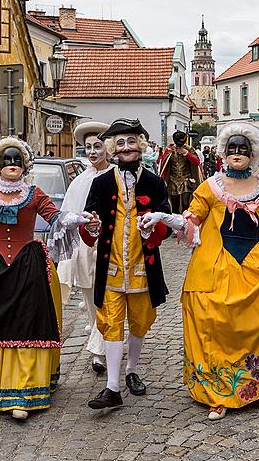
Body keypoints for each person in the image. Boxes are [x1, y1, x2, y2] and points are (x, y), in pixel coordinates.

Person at [141, 121, 259, 421]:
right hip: (215, 263)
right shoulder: (210, 187)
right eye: (232, 149)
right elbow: (192, 221)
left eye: (243, 149)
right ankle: (219, 389)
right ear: (223, 153)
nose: (237, 154)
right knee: (211, 316)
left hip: (257, 263)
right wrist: (163, 216)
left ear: (252, 153)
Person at [0, 137, 92, 419]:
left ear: (25, 166)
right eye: (7, 161)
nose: (12, 165)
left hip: (27, 266)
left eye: (17, 161)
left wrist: (76, 219)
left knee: (26, 325)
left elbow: (55, 217)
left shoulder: (34, 195)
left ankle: (20, 394)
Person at [80, 118, 171, 410]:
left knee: (141, 320)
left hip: (144, 266)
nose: (127, 147)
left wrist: (155, 224)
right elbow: (88, 223)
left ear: (140, 145)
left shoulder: (155, 182)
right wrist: (91, 226)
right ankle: (113, 387)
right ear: (113, 149)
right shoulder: (101, 182)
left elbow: (168, 223)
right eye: (120, 143)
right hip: (111, 268)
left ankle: (132, 370)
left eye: (132, 141)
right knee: (110, 322)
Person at [57, 121, 111, 374]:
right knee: (91, 299)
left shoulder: (116, 176)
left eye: (97, 146)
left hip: (111, 247)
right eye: (88, 147)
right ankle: (99, 341)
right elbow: (68, 214)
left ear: (107, 149)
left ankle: (100, 350)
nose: (92, 152)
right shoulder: (80, 180)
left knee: (108, 299)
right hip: (86, 247)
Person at [159, 131, 203, 214]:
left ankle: (186, 222)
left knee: (185, 203)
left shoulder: (189, 149)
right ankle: (176, 223)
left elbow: (197, 162)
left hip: (186, 179)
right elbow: (163, 165)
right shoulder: (169, 150)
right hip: (173, 180)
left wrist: (186, 153)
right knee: (174, 205)